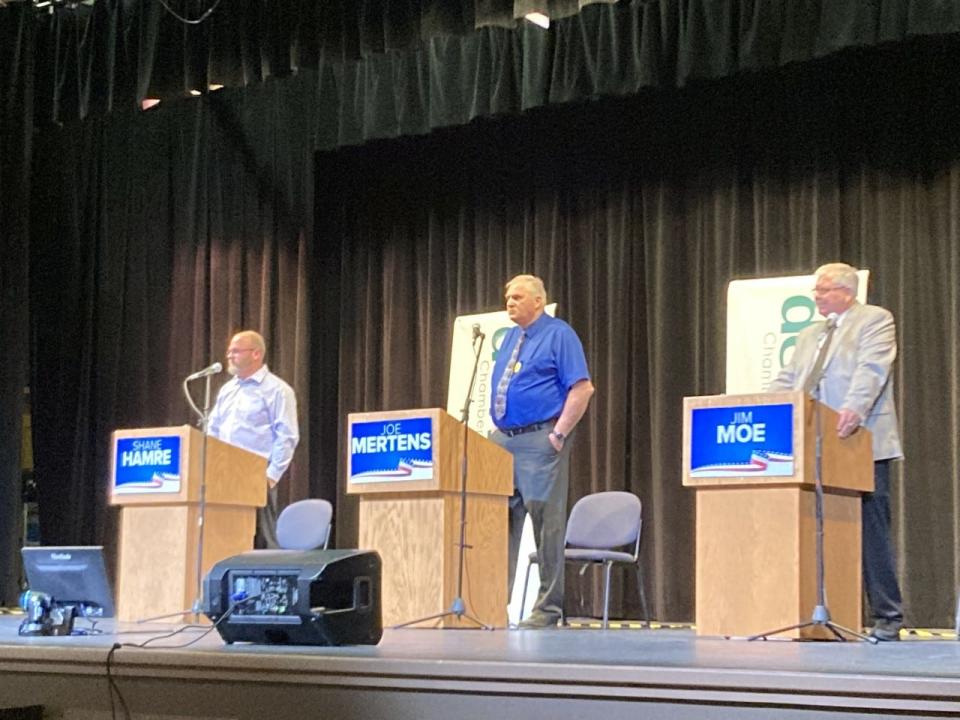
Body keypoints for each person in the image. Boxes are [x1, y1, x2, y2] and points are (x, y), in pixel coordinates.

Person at [767, 262, 904, 641]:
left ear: (846, 291)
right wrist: (757, 404)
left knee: (871, 532)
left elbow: (872, 368)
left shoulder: (874, 320)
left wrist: (854, 409)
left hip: (862, 443)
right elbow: (789, 378)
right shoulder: (810, 334)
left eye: (823, 290)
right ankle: (825, 612)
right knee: (818, 531)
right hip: (814, 447)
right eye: (816, 290)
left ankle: (887, 617)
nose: (817, 297)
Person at [490, 275, 595, 629]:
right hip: (503, 440)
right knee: (495, 522)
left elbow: (581, 388)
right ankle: (491, 604)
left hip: (540, 439)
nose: (510, 302)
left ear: (538, 301)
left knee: (546, 524)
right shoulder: (509, 339)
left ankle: (548, 610)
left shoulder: (559, 334)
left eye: (517, 296)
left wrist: (559, 433)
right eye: (507, 297)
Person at [208, 330, 299, 549]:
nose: (229, 356)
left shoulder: (277, 390)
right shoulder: (227, 390)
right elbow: (213, 429)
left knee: (262, 542)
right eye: (229, 351)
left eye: (236, 351)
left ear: (256, 354)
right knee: (225, 539)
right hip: (222, 476)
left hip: (257, 477)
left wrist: (272, 476)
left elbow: (286, 436)